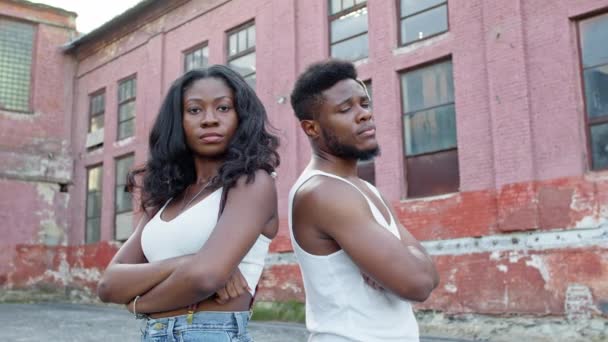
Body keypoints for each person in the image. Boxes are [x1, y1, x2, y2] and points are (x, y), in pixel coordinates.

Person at [97, 65, 280, 342]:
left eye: (223, 108)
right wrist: (186, 262)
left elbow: (205, 277)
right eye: (195, 110)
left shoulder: (251, 183)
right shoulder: (167, 197)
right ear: (178, 121)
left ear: (241, 116)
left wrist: (137, 303)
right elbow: (109, 285)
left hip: (211, 333)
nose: (209, 120)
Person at [288, 59, 440, 342]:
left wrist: (405, 264)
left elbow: (429, 275)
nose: (363, 115)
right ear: (311, 128)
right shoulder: (323, 192)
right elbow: (417, 284)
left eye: (364, 104)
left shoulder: (366, 190)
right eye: (346, 109)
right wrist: (404, 262)